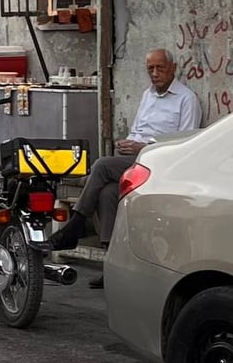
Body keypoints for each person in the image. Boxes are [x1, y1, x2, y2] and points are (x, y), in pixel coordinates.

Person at [50, 48, 200, 289]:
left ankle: (77, 223)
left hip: (161, 161)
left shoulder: (186, 99)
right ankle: (112, 267)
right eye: (150, 68)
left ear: (173, 68)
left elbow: (185, 144)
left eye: (160, 68)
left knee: (101, 165)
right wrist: (128, 143)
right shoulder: (147, 95)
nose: (154, 73)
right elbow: (137, 130)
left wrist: (141, 146)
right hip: (136, 158)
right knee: (108, 192)